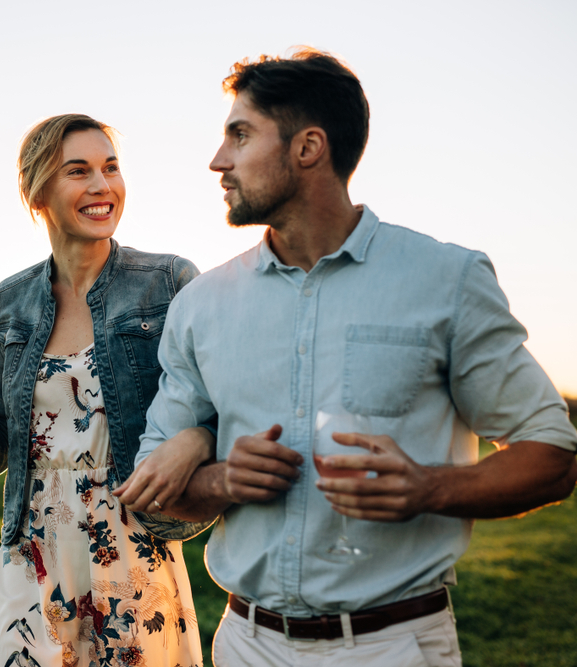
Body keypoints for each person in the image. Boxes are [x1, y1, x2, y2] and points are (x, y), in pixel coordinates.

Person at [115, 48, 577, 666]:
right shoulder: (201, 305)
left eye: (240, 134)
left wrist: (427, 488)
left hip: (396, 647)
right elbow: (156, 489)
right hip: (246, 645)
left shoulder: (446, 279)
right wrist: (224, 477)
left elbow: (551, 455)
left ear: (308, 148)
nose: (217, 160)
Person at [0, 114, 211, 667]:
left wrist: (198, 452)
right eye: (78, 171)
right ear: (36, 192)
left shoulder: (168, 284)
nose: (102, 186)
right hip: (32, 548)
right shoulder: (9, 302)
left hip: (130, 541)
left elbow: (219, 415)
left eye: (111, 168)